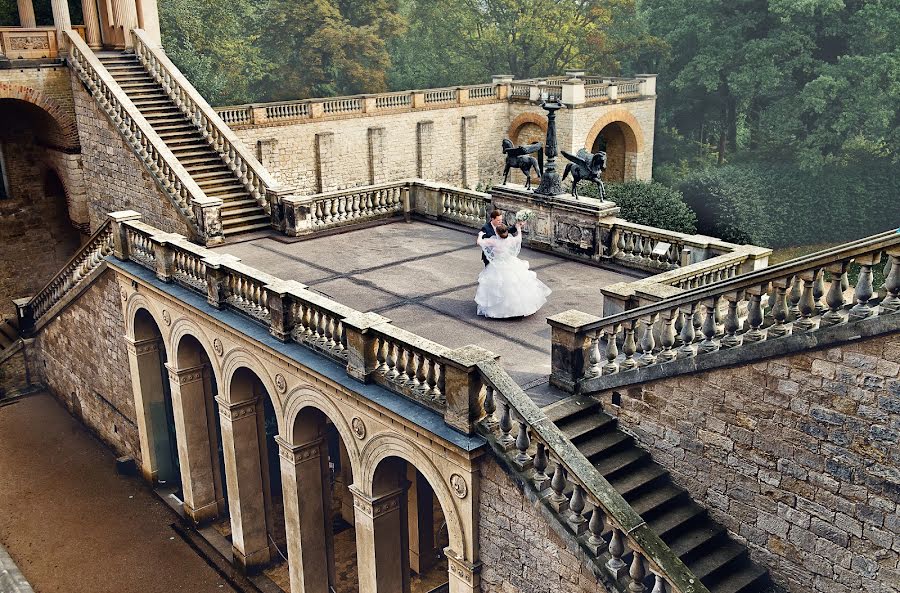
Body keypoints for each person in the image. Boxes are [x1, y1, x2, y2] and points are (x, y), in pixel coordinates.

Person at [475, 221, 551, 318]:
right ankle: (518, 308)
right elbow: (519, 238)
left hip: (498, 265)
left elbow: (479, 242)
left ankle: (502, 310)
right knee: (516, 285)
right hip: (511, 262)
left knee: (499, 287)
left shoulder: (494, 241)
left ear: (497, 233)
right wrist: (518, 228)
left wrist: (480, 234)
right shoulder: (510, 240)